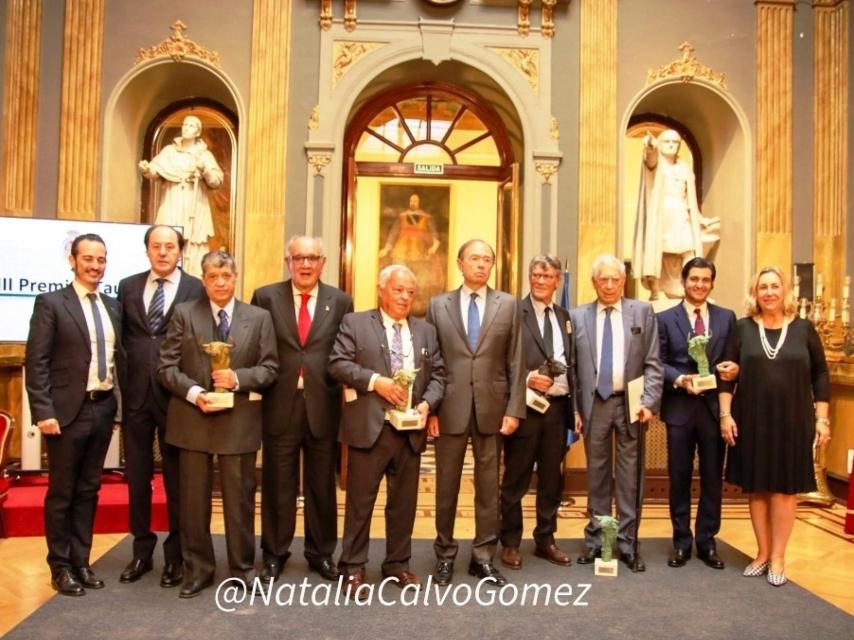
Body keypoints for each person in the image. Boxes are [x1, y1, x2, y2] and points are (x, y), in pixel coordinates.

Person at [158, 250, 278, 598]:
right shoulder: (183, 314)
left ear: (235, 277)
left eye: (226, 276)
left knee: (239, 502)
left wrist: (237, 378)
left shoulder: (258, 318)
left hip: (238, 422)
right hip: (192, 418)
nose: (221, 283)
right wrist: (195, 393)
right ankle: (197, 570)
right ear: (204, 279)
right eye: (213, 277)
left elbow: (270, 368)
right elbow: (166, 367)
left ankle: (242, 569)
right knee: (193, 503)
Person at [328, 265, 445, 597]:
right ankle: (352, 566)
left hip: (410, 431)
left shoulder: (426, 332)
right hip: (369, 427)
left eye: (411, 292)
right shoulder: (355, 323)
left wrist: (427, 405)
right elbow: (337, 363)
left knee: (403, 504)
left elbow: (438, 375)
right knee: (360, 503)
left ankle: (397, 565)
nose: (406, 297)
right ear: (381, 290)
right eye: (398, 290)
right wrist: (375, 382)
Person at [25, 234, 126, 596]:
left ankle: (82, 561)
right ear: (72, 260)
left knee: (89, 490)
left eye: (101, 259)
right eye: (88, 259)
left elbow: (119, 362)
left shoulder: (113, 306)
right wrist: (43, 411)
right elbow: (36, 362)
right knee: (62, 493)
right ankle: (60, 566)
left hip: (102, 410)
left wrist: (118, 408)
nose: (95, 265)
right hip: (66, 413)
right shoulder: (51, 303)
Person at [719, 266, 830, 587]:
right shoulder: (741, 329)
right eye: (762, 287)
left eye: (774, 286)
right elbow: (725, 375)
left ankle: (779, 555)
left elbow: (820, 375)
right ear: (755, 293)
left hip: (793, 420)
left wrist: (822, 418)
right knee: (757, 487)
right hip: (752, 417)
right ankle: (762, 552)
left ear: (785, 292)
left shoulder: (804, 328)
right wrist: (726, 415)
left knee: (784, 489)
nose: (768, 292)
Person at [250, 236, 353, 582]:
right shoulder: (265, 297)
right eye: (298, 258)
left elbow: (345, 353)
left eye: (312, 258)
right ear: (287, 261)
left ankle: (321, 553)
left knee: (322, 485)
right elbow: (255, 347)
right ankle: (275, 553)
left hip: (323, 404)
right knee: (278, 483)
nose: (305, 264)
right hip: (279, 403)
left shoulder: (340, 301)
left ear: (323, 262)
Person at [426, 239, 526, 587]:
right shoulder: (438, 305)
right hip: (449, 408)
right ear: (459, 263)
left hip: (493, 410)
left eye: (487, 260)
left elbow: (516, 360)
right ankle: (444, 555)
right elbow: (431, 361)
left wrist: (514, 409)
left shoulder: (508, 304)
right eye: (475, 259)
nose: (481, 265)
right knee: (446, 487)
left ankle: (483, 557)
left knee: (487, 488)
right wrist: (430, 410)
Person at [117, 225, 205, 587]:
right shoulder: (127, 286)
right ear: (147, 250)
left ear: (181, 251)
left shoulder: (195, 288)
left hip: (176, 399)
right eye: (157, 246)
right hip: (136, 396)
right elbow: (122, 340)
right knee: (137, 479)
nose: (163, 252)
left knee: (177, 481)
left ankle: (176, 556)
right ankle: (141, 552)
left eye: (170, 246)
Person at [570, 254, 663, 572]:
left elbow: (653, 361)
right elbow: (571, 370)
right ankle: (596, 541)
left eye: (615, 279)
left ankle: (628, 543)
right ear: (594, 282)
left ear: (624, 282)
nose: (609, 285)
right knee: (596, 475)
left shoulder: (643, 311)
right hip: (594, 404)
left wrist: (649, 403)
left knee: (629, 477)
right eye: (603, 279)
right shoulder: (578, 315)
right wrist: (574, 409)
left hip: (631, 406)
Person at [656, 257, 738, 570]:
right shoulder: (664, 319)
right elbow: (657, 361)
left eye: (705, 280)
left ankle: (707, 541)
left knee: (712, 478)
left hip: (715, 409)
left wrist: (733, 369)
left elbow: (732, 359)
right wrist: (679, 379)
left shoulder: (727, 318)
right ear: (684, 281)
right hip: (679, 407)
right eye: (694, 279)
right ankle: (681, 542)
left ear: (712, 283)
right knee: (678, 477)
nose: (699, 285)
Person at [499, 255, 576, 571]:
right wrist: (528, 377)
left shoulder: (564, 316)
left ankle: (545, 539)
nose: (541, 281)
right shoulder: (514, 312)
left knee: (550, 479)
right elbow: (499, 360)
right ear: (529, 277)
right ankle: (511, 543)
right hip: (525, 408)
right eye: (536, 275)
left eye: (548, 276)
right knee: (516, 479)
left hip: (557, 409)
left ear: (558, 280)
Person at [633, 129, 720, 300]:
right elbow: (651, 159)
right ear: (660, 144)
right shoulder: (657, 163)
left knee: (689, 249)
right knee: (658, 251)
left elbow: (691, 199)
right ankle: (655, 290)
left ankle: (692, 287)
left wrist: (700, 219)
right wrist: (651, 147)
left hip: (681, 212)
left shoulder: (685, 167)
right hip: (661, 214)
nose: (672, 145)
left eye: (675, 142)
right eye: (667, 142)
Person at [138, 115, 224, 278]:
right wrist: (147, 169)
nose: (186, 128)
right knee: (168, 235)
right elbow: (156, 170)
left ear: (197, 132)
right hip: (173, 199)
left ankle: (192, 277)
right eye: (185, 125)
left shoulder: (203, 155)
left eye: (191, 126)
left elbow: (216, 180)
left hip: (194, 201)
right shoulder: (169, 152)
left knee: (194, 241)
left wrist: (204, 169)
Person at [378, 193, 444, 316]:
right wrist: (386, 248)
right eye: (411, 200)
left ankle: (418, 309)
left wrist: (433, 247)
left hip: (420, 253)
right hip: (402, 252)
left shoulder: (426, 218)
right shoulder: (402, 217)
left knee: (420, 281)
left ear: (419, 202)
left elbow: (435, 236)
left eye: (415, 200)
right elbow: (393, 233)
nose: (413, 202)